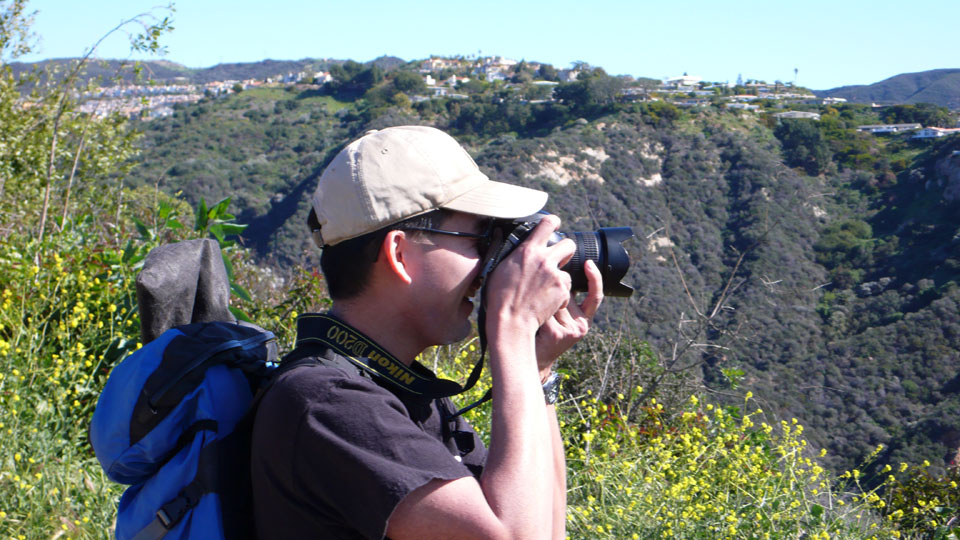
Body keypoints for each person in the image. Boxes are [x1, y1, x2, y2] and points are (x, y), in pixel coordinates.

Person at [250, 125, 603, 540]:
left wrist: (538, 372)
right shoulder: (328, 404)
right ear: (399, 253)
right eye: (480, 240)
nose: (490, 264)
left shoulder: (407, 396)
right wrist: (513, 328)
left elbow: (545, 530)